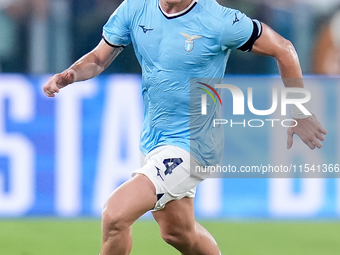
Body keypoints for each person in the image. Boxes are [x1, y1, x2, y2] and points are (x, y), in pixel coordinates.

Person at [43, 0, 327, 254]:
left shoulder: (219, 20)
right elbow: (98, 58)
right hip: (155, 140)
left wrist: (300, 112)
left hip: (195, 144)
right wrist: (71, 75)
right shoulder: (134, 8)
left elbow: (285, 49)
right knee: (178, 233)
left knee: (115, 215)